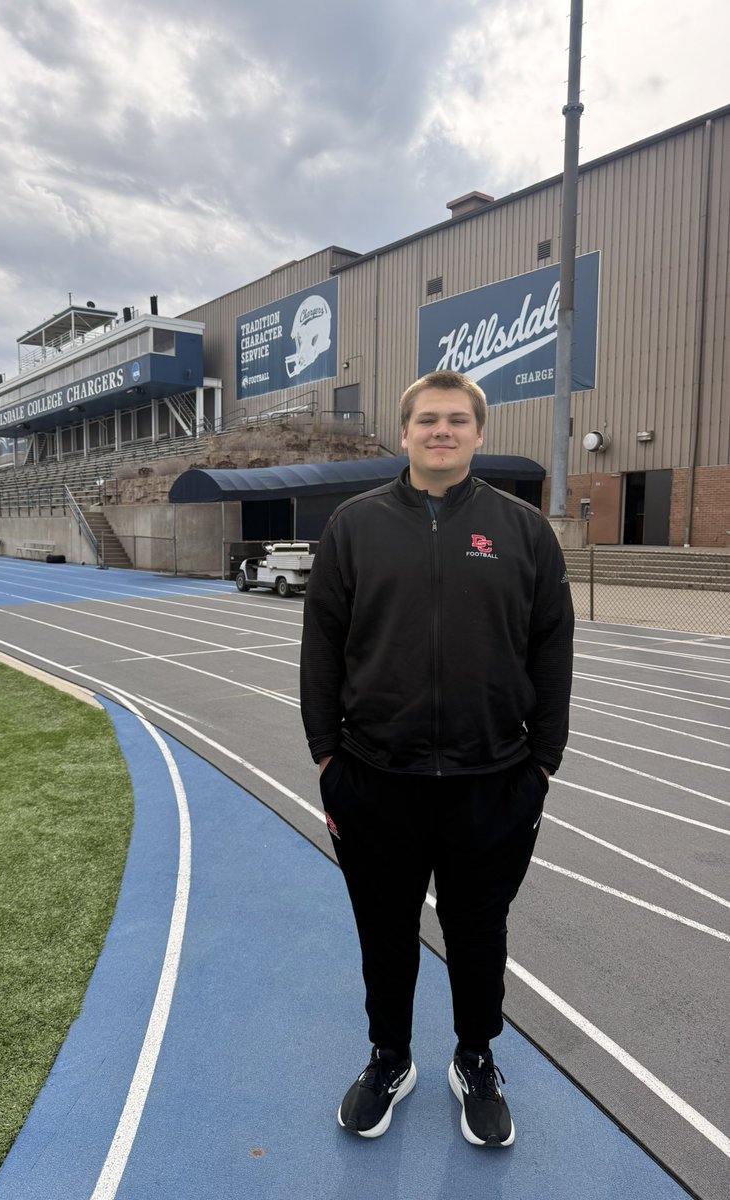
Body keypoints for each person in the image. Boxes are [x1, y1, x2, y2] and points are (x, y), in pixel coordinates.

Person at [300, 369, 574, 1147]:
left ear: (479, 434)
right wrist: (327, 757)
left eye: (457, 420)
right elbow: (320, 646)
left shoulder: (523, 530)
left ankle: (475, 1058)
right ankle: (390, 1056)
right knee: (383, 930)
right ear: (406, 431)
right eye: (428, 420)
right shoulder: (354, 526)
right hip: (374, 779)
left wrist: (544, 759)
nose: (442, 431)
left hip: (494, 782)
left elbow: (554, 645)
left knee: (479, 930)